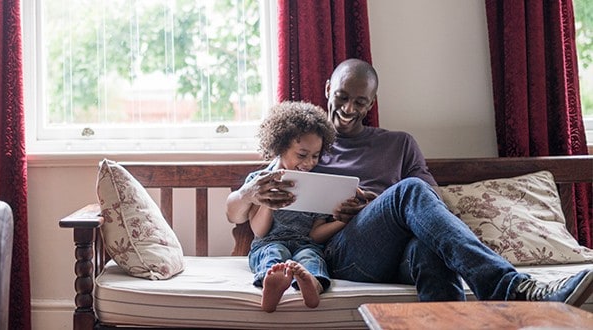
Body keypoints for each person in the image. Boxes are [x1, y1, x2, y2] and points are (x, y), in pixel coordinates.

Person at [227, 58, 593, 305]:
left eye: (360, 100)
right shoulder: (308, 148)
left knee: (427, 248)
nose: (349, 108)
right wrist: (251, 192)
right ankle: (513, 288)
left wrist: (376, 204)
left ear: (372, 102)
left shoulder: (398, 143)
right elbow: (241, 213)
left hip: (400, 248)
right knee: (409, 192)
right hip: (343, 253)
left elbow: (431, 201)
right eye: (341, 96)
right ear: (327, 90)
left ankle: (455, 323)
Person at [226, 101, 341, 312]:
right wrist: (270, 203)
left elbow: (315, 235)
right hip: (269, 242)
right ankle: (272, 284)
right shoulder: (258, 182)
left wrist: (342, 221)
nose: (308, 163)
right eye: (301, 154)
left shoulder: (317, 185)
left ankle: (312, 284)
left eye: (315, 156)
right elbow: (259, 231)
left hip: (305, 244)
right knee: (274, 252)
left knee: (311, 256)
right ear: (280, 148)